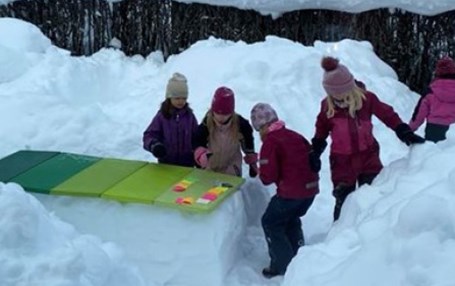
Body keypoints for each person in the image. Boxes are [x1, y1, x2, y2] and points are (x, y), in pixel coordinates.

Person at [310, 56, 425, 221]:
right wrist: (316, 149)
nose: (339, 101)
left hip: (368, 157)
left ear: (350, 88)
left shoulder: (367, 99)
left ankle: (371, 232)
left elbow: (387, 114)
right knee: (344, 203)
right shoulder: (327, 106)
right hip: (342, 162)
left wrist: (403, 131)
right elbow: (321, 128)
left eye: (342, 96)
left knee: (372, 199)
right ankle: (339, 237)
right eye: (335, 97)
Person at [250, 103, 319, 278]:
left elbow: (267, 178)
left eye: (259, 130)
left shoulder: (271, 143)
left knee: (271, 221)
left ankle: (282, 265)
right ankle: (299, 256)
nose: (260, 134)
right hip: (310, 192)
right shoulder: (295, 135)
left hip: (292, 193)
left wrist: (259, 168)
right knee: (290, 218)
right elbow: (313, 158)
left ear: (264, 126)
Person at [193, 86, 257, 177]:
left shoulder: (240, 124)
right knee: (209, 188)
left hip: (231, 166)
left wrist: (252, 162)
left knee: (229, 188)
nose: (221, 117)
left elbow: (248, 142)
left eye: (225, 114)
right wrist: (201, 155)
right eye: (217, 113)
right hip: (211, 166)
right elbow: (197, 140)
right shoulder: (207, 124)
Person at [142, 73, 198, 167]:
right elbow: (149, 135)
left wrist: (198, 153)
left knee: (183, 183)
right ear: (169, 97)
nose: (181, 101)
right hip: (166, 165)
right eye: (177, 98)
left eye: (184, 98)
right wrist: (154, 145)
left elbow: (196, 137)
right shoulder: (162, 116)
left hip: (187, 165)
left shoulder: (189, 116)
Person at [409, 56, 455, 142]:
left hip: (434, 130)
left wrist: (410, 129)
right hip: (454, 131)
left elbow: (419, 113)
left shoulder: (431, 91)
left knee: (432, 155)